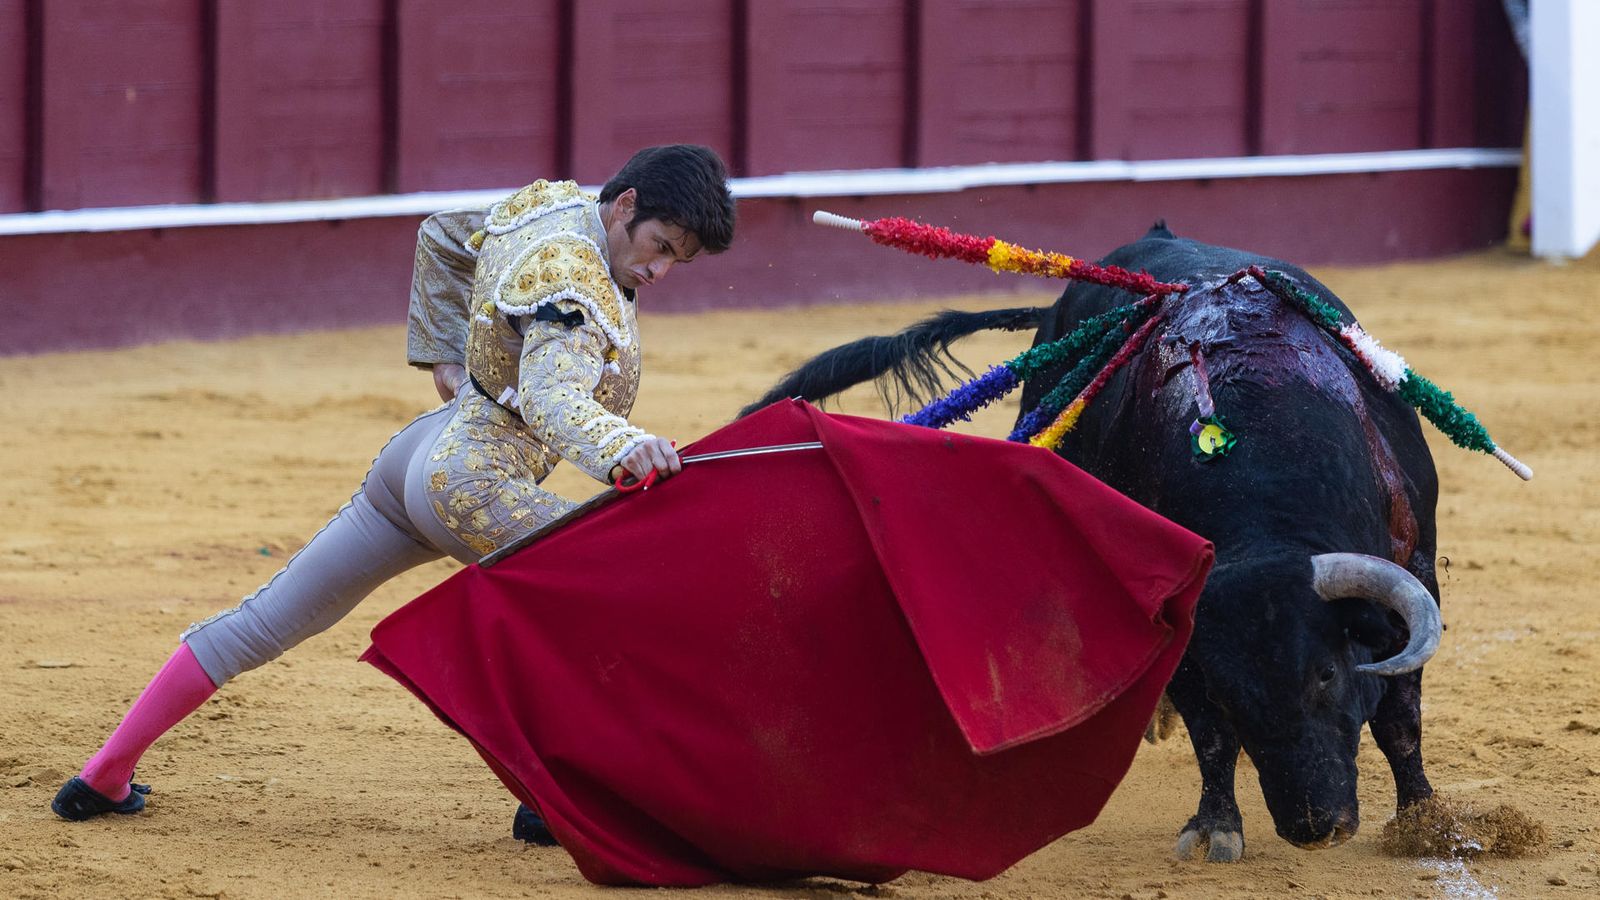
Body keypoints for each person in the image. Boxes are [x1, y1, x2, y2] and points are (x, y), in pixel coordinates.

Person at [50, 145, 738, 834]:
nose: (660, 270)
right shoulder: (575, 282)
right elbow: (552, 396)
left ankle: (104, 773)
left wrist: (445, 354)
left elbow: (442, 234)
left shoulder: (548, 208)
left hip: (418, 458)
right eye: (660, 246)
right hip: (478, 484)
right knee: (616, 598)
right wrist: (624, 445)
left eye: (678, 258)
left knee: (268, 618)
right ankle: (553, 799)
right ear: (625, 207)